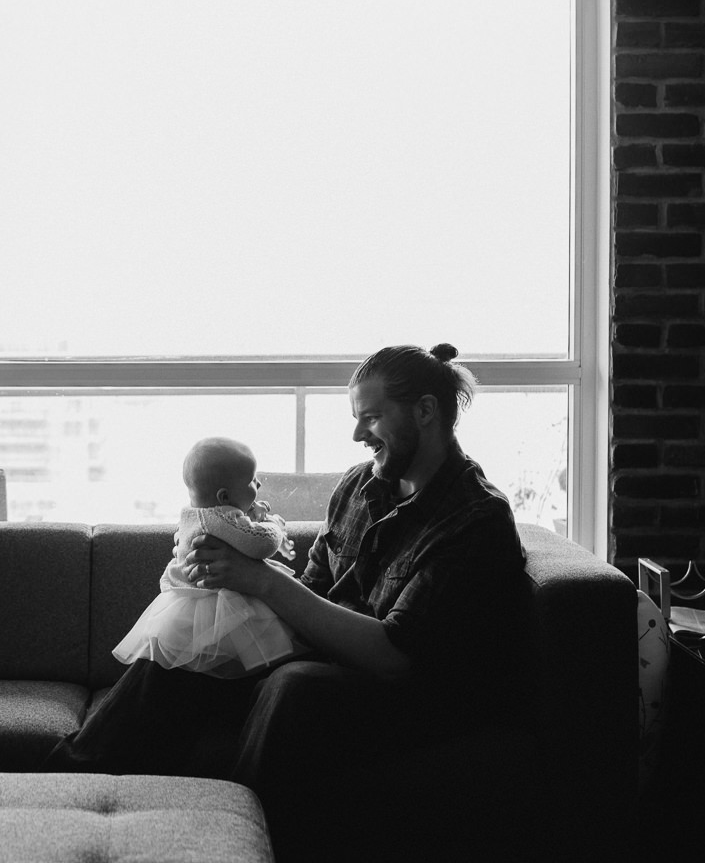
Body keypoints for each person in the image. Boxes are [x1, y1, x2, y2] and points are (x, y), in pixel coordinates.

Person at [44, 343, 533, 860]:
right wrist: (221, 581)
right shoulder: (360, 485)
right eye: (356, 418)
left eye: (371, 417)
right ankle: (50, 803)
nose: (357, 434)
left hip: (412, 697)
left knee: (294, 686)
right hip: (326, 657)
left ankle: (231, 845)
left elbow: (395, 658)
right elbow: (315, 586)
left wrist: (262, 582)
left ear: (426, 411)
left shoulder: (473, 520)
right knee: (177, 654)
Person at [111, 436, 310, 678]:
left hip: (186, 607)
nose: (258, 484)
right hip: (219, 606)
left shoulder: (194, 516)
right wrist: (274, 526)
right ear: (224, 498)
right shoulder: (221, 518)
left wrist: (248, 513)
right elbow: (260, 543)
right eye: (252, 480)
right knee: (258, 650)